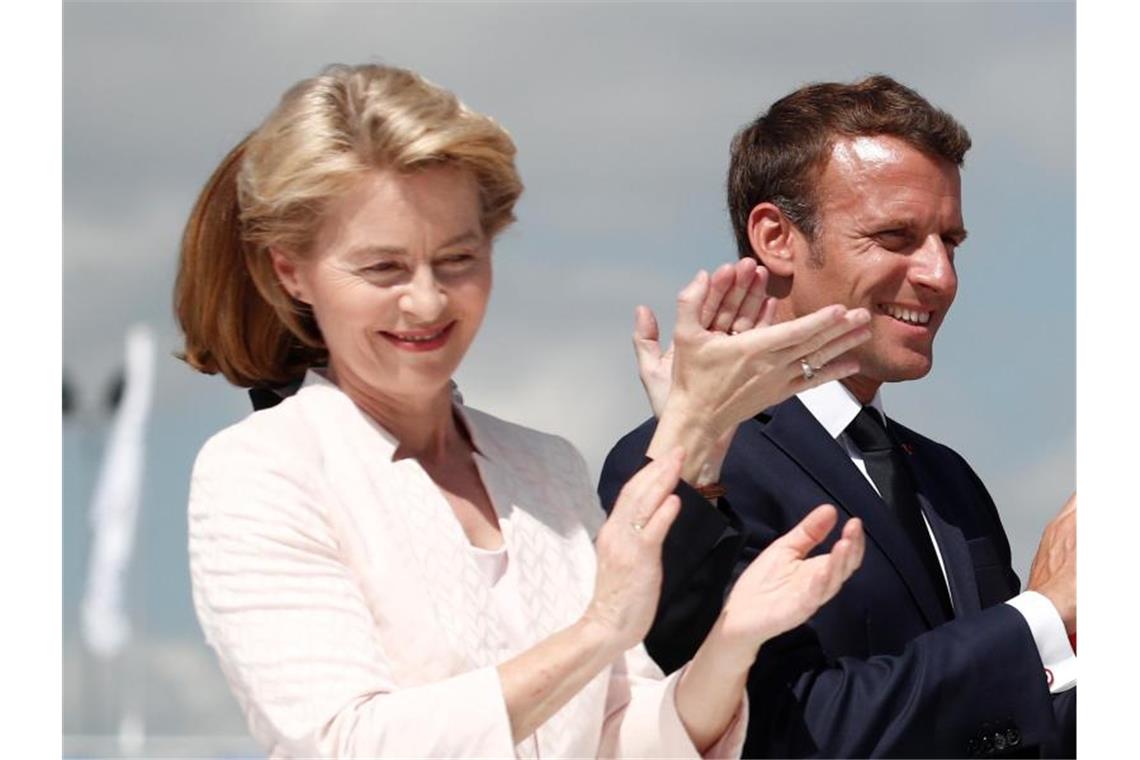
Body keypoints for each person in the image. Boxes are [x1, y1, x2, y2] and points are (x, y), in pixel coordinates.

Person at [175, 63, 875, 759]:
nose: (427, 301)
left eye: (457, 259)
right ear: (290, 271)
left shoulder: (546, 468)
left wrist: (733, 642)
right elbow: (349, 743)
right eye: (383, 269)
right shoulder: (260, 473)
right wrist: (598, 629)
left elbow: (617, 739)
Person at [599, 75, 1077, 758]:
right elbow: (788, 731)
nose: (940, 275)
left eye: (951, 241)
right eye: (896, 236)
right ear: (776, 237)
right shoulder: (680, 476)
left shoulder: (948, 479)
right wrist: (1042, 614)